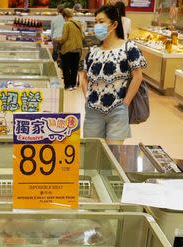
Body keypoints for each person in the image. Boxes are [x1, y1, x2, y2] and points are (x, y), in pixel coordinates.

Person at [80, 5, 145, 143]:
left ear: (114, 24)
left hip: (118, 109)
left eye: (101, 21)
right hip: (93, 111)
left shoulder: (129, 48)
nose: (97, 25)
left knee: (113, 154)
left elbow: (138, 76)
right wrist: (87, 97)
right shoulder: (93, 51)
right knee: (93, 152)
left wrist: (126, 102)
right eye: (95, 22)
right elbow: (83, 77)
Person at [56, 8, 84, 90]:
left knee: (66, 68)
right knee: (74, 67)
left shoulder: (67, 24)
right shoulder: (78, 23)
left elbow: (64, 38)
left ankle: (68, 86)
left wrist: (57, 39)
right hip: (77, 48)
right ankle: (73, 84)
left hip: (68, 49)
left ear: (64, 16)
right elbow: (82, 36)